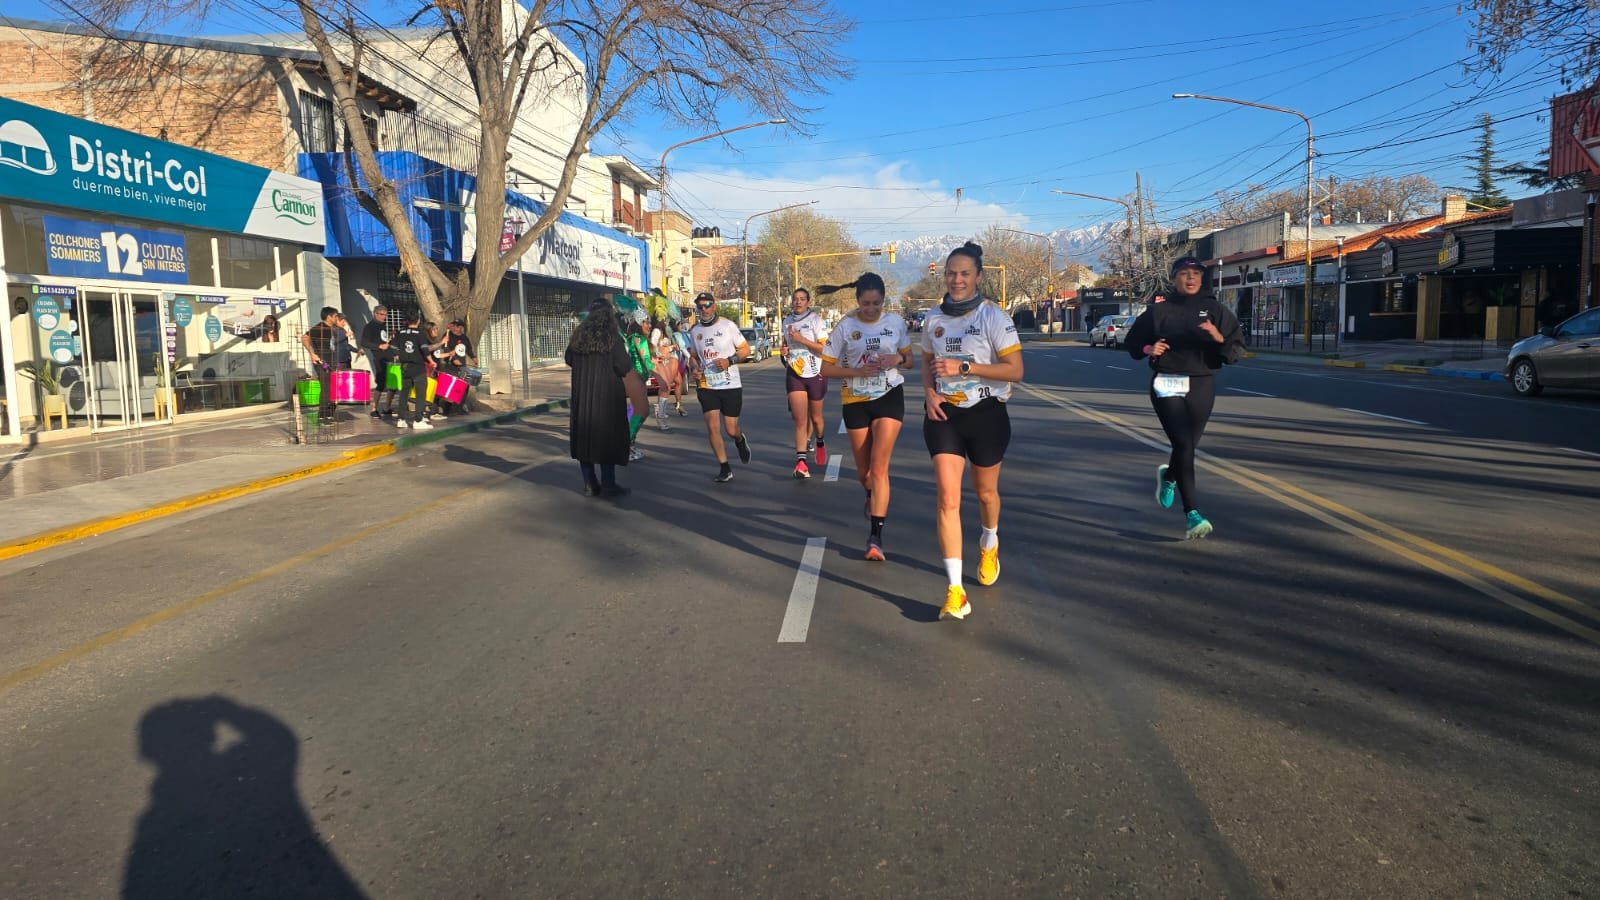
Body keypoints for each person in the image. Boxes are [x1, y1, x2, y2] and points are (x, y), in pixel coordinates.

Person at [920, 242, 1024, 621]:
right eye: (951, 273)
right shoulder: (933, 318)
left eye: (965, 273)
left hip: (987, 414)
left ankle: (989, 540)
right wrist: (930, 393)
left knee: (985, 493)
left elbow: (1015, 370)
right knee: (947, 499)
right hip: (945, 415)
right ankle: (955, 591)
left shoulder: (993, 316)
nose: (957, 280)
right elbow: (928, 363)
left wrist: (965, 368)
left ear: (978, 276)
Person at [1123, 256, 1245, 540]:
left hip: (1202, 381)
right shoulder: (1159, 311)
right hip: (1167, 381)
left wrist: (1217, 336)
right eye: (1184, 274)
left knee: (1189, 444)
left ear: (1202, 278)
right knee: (1183, 444)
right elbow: (1132, 343)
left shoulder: (1215, 309)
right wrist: (1149, 348)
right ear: (1174, 278)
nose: (1190, 278)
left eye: (1195, 274)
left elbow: (1236, 348)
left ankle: (1169, 476)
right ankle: (1192, 513)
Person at [818, 273, 914, 561]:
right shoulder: (846, 326)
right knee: (865, 473)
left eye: (877, 303)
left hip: (889, 395)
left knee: (879, 468)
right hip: (856, 400)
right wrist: (857, 372)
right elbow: (825, 369)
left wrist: (897, 359)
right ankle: (871, 494)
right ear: (857, 301)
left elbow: (910, 360)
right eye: (866, 304)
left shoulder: (895, 323)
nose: (871, 309)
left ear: (884, 301)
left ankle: (875, 538)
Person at [565, 301, 638, 498]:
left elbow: (569, 359)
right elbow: (623, 366)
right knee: (608, 439)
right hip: (607, 397)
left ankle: (590, 484)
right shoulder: (612, 337)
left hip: (582, 396)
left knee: (584, 439)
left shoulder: (578, 336)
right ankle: (608, 484)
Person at [687, 291, 751, 483]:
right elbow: (693, 357)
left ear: (714, 306)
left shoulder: (727, 326)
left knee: (730, 429)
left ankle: (740, 439)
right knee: (713, 427)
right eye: (700, 306)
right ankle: (724, 467)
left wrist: (730, 361)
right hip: (706, 384)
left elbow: (745, 350)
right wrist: (694, 369)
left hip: (730, 383)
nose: (704, 309)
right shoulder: (695, 331)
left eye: (707, 305)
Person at [780, 287, 831, 478]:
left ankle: (820, 441)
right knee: (799, 419)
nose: (798, 302)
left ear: (808, 302)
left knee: (816, 418)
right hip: (795, 372)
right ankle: (801, 463)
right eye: (795, 299)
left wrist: (802, 339)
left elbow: (824, 349)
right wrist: (784, 351)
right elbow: (785, 345)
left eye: (802, 299)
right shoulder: (787, 322)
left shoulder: (816, 321)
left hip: (815, 372)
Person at [389, 309, 433, 430]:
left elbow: (393, 346)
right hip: (418, 368)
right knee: (420, 394)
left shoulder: (400, 332)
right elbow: (425, 349)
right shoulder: (419, 333)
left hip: (404, 368)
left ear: (407, 321)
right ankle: (418, 420)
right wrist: (431, 361)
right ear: (418, 321)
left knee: (404, 394)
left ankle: (401, 420)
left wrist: (398, 355)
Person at [299, 306, 341, 416]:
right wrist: (312, 353)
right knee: (326, 387)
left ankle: (330, 412)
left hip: (331, 362)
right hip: (322, 362)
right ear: (329, 317)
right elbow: (304, 337)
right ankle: (323, 414)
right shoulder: (320, 327)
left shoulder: (333, 329)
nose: (337, 318)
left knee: (334, 387)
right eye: (335, 316)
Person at [359, 304, 397, 419]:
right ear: (375, 314)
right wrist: (379, 346)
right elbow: (364, 342)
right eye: (381, 314)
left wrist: (391, 339)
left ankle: (387, 408)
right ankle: (374, 409)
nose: (384, 317)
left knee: (393, 384)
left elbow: (384, 340)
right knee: (381, 383)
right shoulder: (369, 327)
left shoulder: (383, 326)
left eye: (385, 315)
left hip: (390, 358)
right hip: (380, 358)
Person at [437, 318, 478, 416]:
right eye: (454, 325)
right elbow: (445, 348)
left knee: (464, 386)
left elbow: (468, 349)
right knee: (451, 387)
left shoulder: (464, 338)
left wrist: (473, 357)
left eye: (457, 326)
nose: (454, 327)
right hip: (449, 366)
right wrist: (453, 359)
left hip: (462, 365)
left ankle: (460, 407)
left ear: (461, 327)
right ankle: (446, 409)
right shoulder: (448, 335)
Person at [650, 317, 683, 428]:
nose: (666, 321)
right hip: (659, 362)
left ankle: (661, 414)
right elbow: (653, 346)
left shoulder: (663, 331)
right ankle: (660, 415)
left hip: (666, 361)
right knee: (666, 387)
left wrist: (670, 348)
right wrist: (664, 351)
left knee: (667, 387)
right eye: (664, 319)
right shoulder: (656, 331)